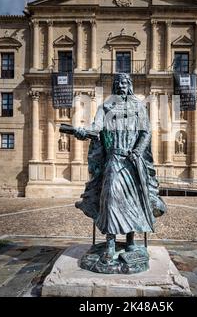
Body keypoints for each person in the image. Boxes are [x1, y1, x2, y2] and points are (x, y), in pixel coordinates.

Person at [73, 73, 166, 262]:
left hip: (133, 162)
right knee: (112, 199)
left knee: (133, 202)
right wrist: (84, 132)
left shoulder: (139, 107)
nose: (122, 85)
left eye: (125, 82)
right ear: (115, 87)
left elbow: (146, 132)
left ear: (129, 86)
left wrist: (138, 152)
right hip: (114, 161)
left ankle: (131, 241)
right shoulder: (106, 107)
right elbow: (96, 128)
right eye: (118, 83)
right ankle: (110, 243)